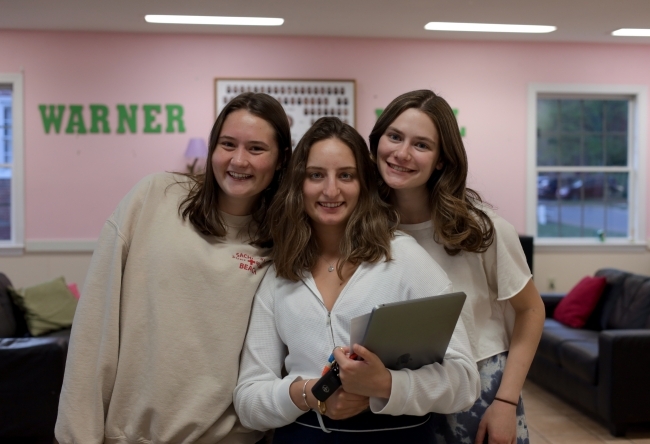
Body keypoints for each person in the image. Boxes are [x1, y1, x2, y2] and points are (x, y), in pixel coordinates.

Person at [55, 92, 292, 444]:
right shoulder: (155, 197)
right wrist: (77, 435)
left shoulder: (284, 242)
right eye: (228, 144)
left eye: (256, 149)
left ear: (279, 161)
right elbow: (94, 328)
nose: (238, 160)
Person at [233, 117, 480, 443]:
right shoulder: (281, 271)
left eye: (346, 175)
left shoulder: (405, 259)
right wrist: (310, 393)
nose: (331, 190)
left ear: (364, 183)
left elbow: (464, 382)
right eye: (316, 175)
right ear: (298, 185)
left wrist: (383, 385)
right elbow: (249, 400)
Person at [369, 89, 545, 444]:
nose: (402, 153)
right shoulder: (366, 229)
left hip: (480, 389)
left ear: (441, 160)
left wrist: (506, 402)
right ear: (376, 142)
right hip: (397, 390)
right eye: (394, 137)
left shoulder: (482, 229)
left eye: (421, 145)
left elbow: (531, 310)